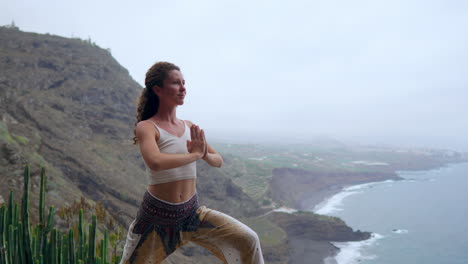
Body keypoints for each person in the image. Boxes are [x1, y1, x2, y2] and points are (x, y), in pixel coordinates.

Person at [119, 62, 265, 264]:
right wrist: (194, 156)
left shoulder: (188, 126)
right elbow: (155, 162)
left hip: (192, 214)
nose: (183, 88)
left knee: (248, 239)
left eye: (183, 83)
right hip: (157, 219)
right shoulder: (147, 127)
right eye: (176, 83)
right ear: (158, 89)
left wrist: (203, 154)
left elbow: (218, 161)